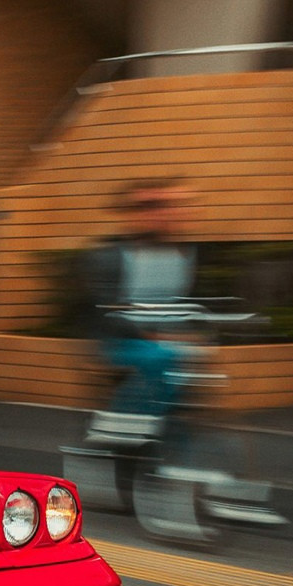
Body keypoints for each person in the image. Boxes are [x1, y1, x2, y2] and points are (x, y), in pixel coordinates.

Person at [79, 179, 199, 418]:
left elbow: (184, 304)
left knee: (190, 362)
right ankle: (118, 424)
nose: (156, 213)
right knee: (163, 356)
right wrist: (150, 334)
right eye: (145, 206)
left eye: (160, 205)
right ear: (126, 214)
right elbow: (106, 310)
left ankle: (164, 421)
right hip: (120, 342)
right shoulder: (108, 256)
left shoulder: (181, 253)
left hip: (163, 340)